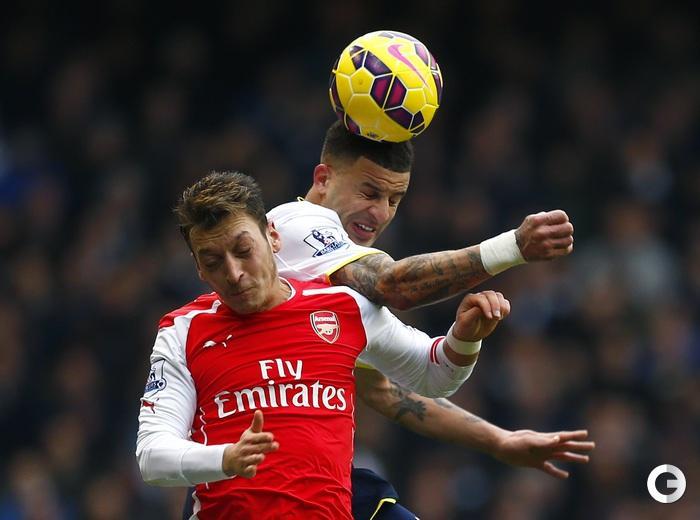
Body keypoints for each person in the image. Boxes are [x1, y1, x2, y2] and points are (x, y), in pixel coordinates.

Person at [136, 171, 512, 519]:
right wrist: (226, 459)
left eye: (243, 250)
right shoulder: (183, 330)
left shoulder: (343, 307)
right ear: (199, 269)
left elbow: (435, 374)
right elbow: (152, 456)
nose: (233, 273)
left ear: (272, 236)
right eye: (213, 261)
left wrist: (465, 337)